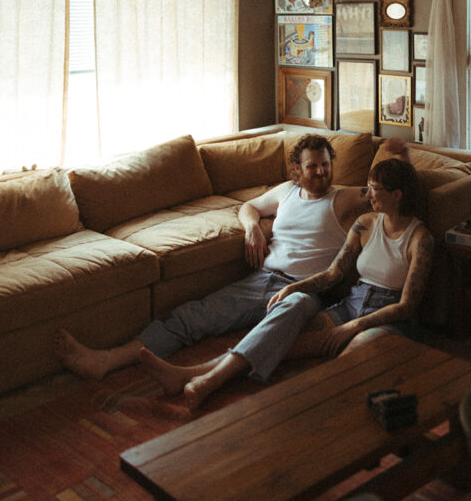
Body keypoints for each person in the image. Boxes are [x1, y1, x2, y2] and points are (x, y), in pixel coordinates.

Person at [54, 134, 406, 383]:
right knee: (194, 316)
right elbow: (248, 207)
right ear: (298, 169)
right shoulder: (286, 192)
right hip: (262, 280)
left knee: (292, 311)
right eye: (312, 167)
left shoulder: (343, 198)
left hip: (307, 289)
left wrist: (396, 154)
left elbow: (388, 191)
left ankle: (208, 374)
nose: (321, 173)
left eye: (326, 165)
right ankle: (107, 359)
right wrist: (253, 228)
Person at [139, 156, 434, 413]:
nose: (367, 195)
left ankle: (319, 418)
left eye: (375, 189)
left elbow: (407, 306)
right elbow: (333, 274)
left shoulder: (421, 239)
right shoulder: (366, 223)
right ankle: (196, 377)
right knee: (277, 340)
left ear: (397, 194)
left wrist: (353, 327)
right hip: (350, 306)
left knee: (346, 365)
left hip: (388, 318)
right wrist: (293, 288)